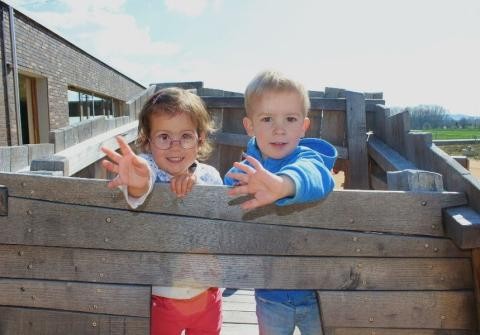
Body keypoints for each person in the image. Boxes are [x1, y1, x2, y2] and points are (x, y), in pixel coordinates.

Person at [101, 87, 223, 335]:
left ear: (200, 138)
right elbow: (141, 187)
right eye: (164, 136)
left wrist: (196, 188)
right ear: (147, 141)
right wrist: (138, 181)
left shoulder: (210, 175)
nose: (175, 147)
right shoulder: (148, 168)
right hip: (162, 297)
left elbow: (221, 220)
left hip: (208, 294)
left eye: (185, 136)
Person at [224, 70, 337, 334]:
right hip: (269, 289)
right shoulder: (247, 170)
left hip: (317, 290)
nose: (279, 128)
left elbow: (316, 176)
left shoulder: (308, 158)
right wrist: (234, 186)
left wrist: (284, 185)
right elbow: (221, 206)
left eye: (290, 118)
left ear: (303, 126)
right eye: (267, 119)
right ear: (250, 126)